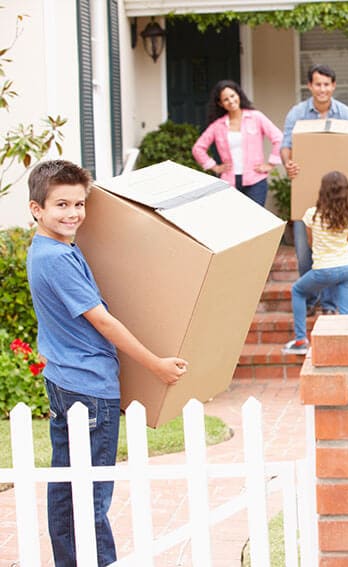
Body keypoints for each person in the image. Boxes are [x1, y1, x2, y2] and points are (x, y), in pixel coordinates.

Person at [26, 160, 189, 566]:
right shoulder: (57, 259)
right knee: (92, 493)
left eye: (79, 204)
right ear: (36, 209)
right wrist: (157, 365)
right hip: (89, 387)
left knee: (66, 487)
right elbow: (101, 319)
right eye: (61, 205)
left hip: (65, 380)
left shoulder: (49, 249)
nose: (73, 214)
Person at [280, 64, 348, 315]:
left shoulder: (346, 115)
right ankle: (309, 302)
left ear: (334, 86)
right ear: (310, 86)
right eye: (317, 84)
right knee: (304, 252)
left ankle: (329, 306)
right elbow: (286, 146)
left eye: (327, 84)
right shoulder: (297, 114)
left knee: (335, 252)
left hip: (339, 197)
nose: (322, 89)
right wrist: (288, 163)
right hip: (306, 194)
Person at [283, 171, 348, 355]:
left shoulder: (312, 215)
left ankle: (301, 340)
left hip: (323, 269)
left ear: (322, 191)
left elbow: (310, 243)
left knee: (298, 291)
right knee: (346, 314)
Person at [192, 79, 283, 207]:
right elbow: (198, 148)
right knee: (234, 222)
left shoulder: (256, 117)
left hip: (255, 180)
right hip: (229, 182)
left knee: (256, 221)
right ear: (220, 103)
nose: (231, 101)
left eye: (232, 96)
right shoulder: (218, 125)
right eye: (225, 99)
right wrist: (215, 167)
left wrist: (271, 164)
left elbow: (279, 138)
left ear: (238, 95)